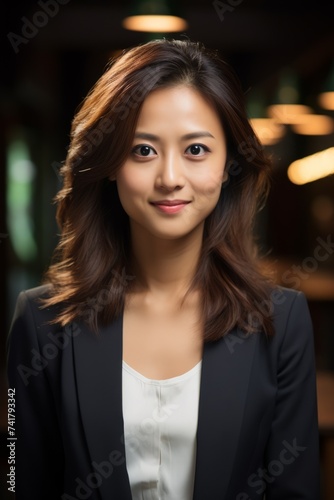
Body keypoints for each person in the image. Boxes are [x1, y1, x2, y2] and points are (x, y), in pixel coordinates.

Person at [6, 38, 320, 500]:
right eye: (143, 151)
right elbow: (19, 482)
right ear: (109, 163)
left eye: (196, 149)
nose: (170, 176)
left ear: (229, 163)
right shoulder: (40, 323)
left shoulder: (281, 321)